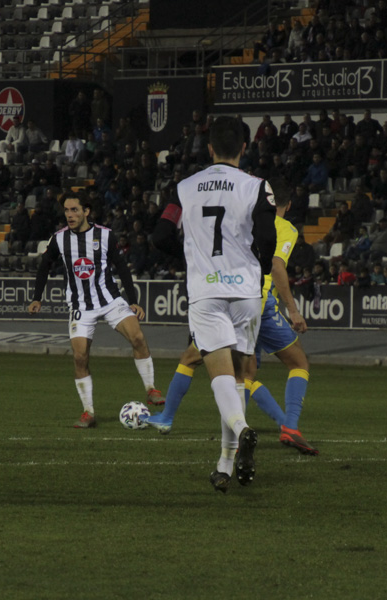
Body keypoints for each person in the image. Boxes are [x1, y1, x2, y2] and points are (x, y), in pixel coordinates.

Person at [151, 116, 276, 493]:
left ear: (208, 149)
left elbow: (159, 235)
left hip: (206, 290)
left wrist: (189, 257)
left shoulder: (184, 188)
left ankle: (241, 430)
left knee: (220, 375)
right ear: (244, 147)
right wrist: (261, 265)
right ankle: (224, 461)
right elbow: (267, 236)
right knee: (238, 377)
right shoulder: (257, 187)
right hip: (246, 292)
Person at [144, 184, 317, 455]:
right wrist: (293, 310)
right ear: (289, 205)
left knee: (206, 363)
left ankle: (175, 421)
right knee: (282, 366)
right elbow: (277, 264)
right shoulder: (285, 228)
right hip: (258, 302)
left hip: (236, 297)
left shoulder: (246, 219)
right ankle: (287, 425)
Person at [27, 195, 163, 429]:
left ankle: (151, 388)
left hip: (110, 299)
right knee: (80, 357)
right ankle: (88, 412)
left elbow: (121, 266)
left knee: (138, 337)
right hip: (80, 305)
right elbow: (44, 266)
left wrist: (133, 301)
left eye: (74, 210)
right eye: (66, 210)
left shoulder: (105, 235)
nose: (69, 215)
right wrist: (37, 297)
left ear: (86, 211)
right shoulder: (59, 239)